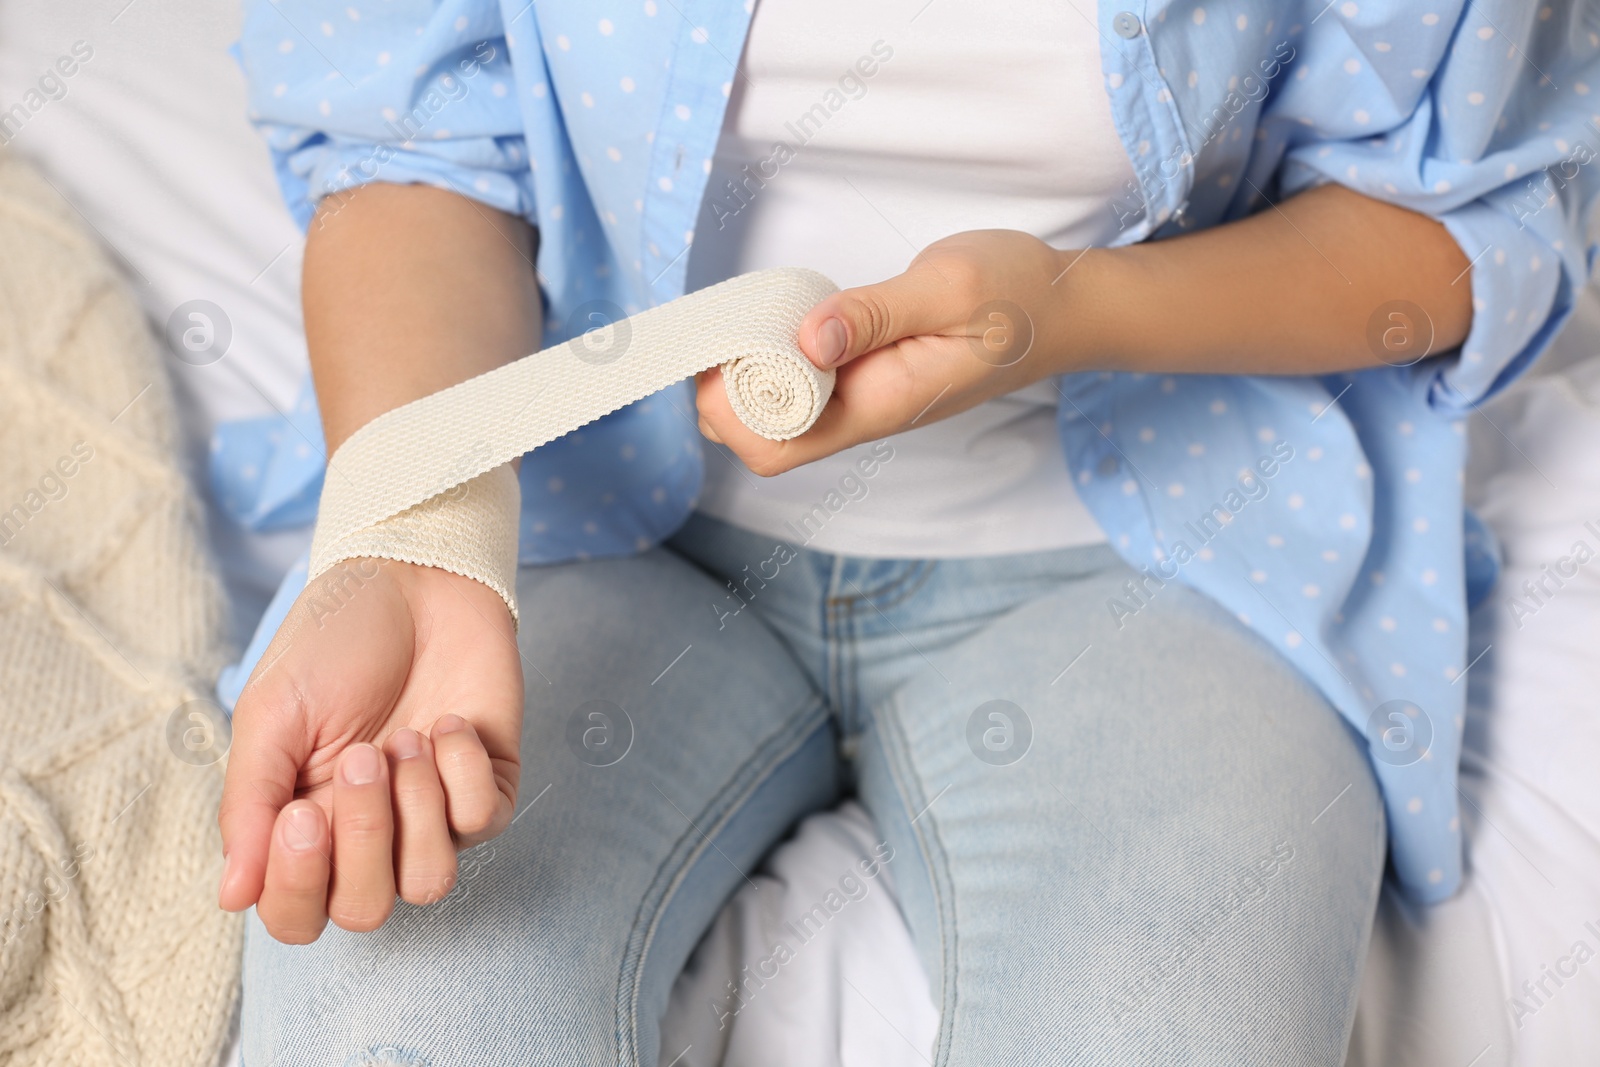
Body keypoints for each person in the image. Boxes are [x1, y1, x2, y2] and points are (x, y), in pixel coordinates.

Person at [218, 1, 1597, 1063]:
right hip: (595, 523)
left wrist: (1069, 312)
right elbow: (408, 150)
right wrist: (421, 530)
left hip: (1151, 560)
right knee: (387, 1014)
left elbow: (1466, 217)